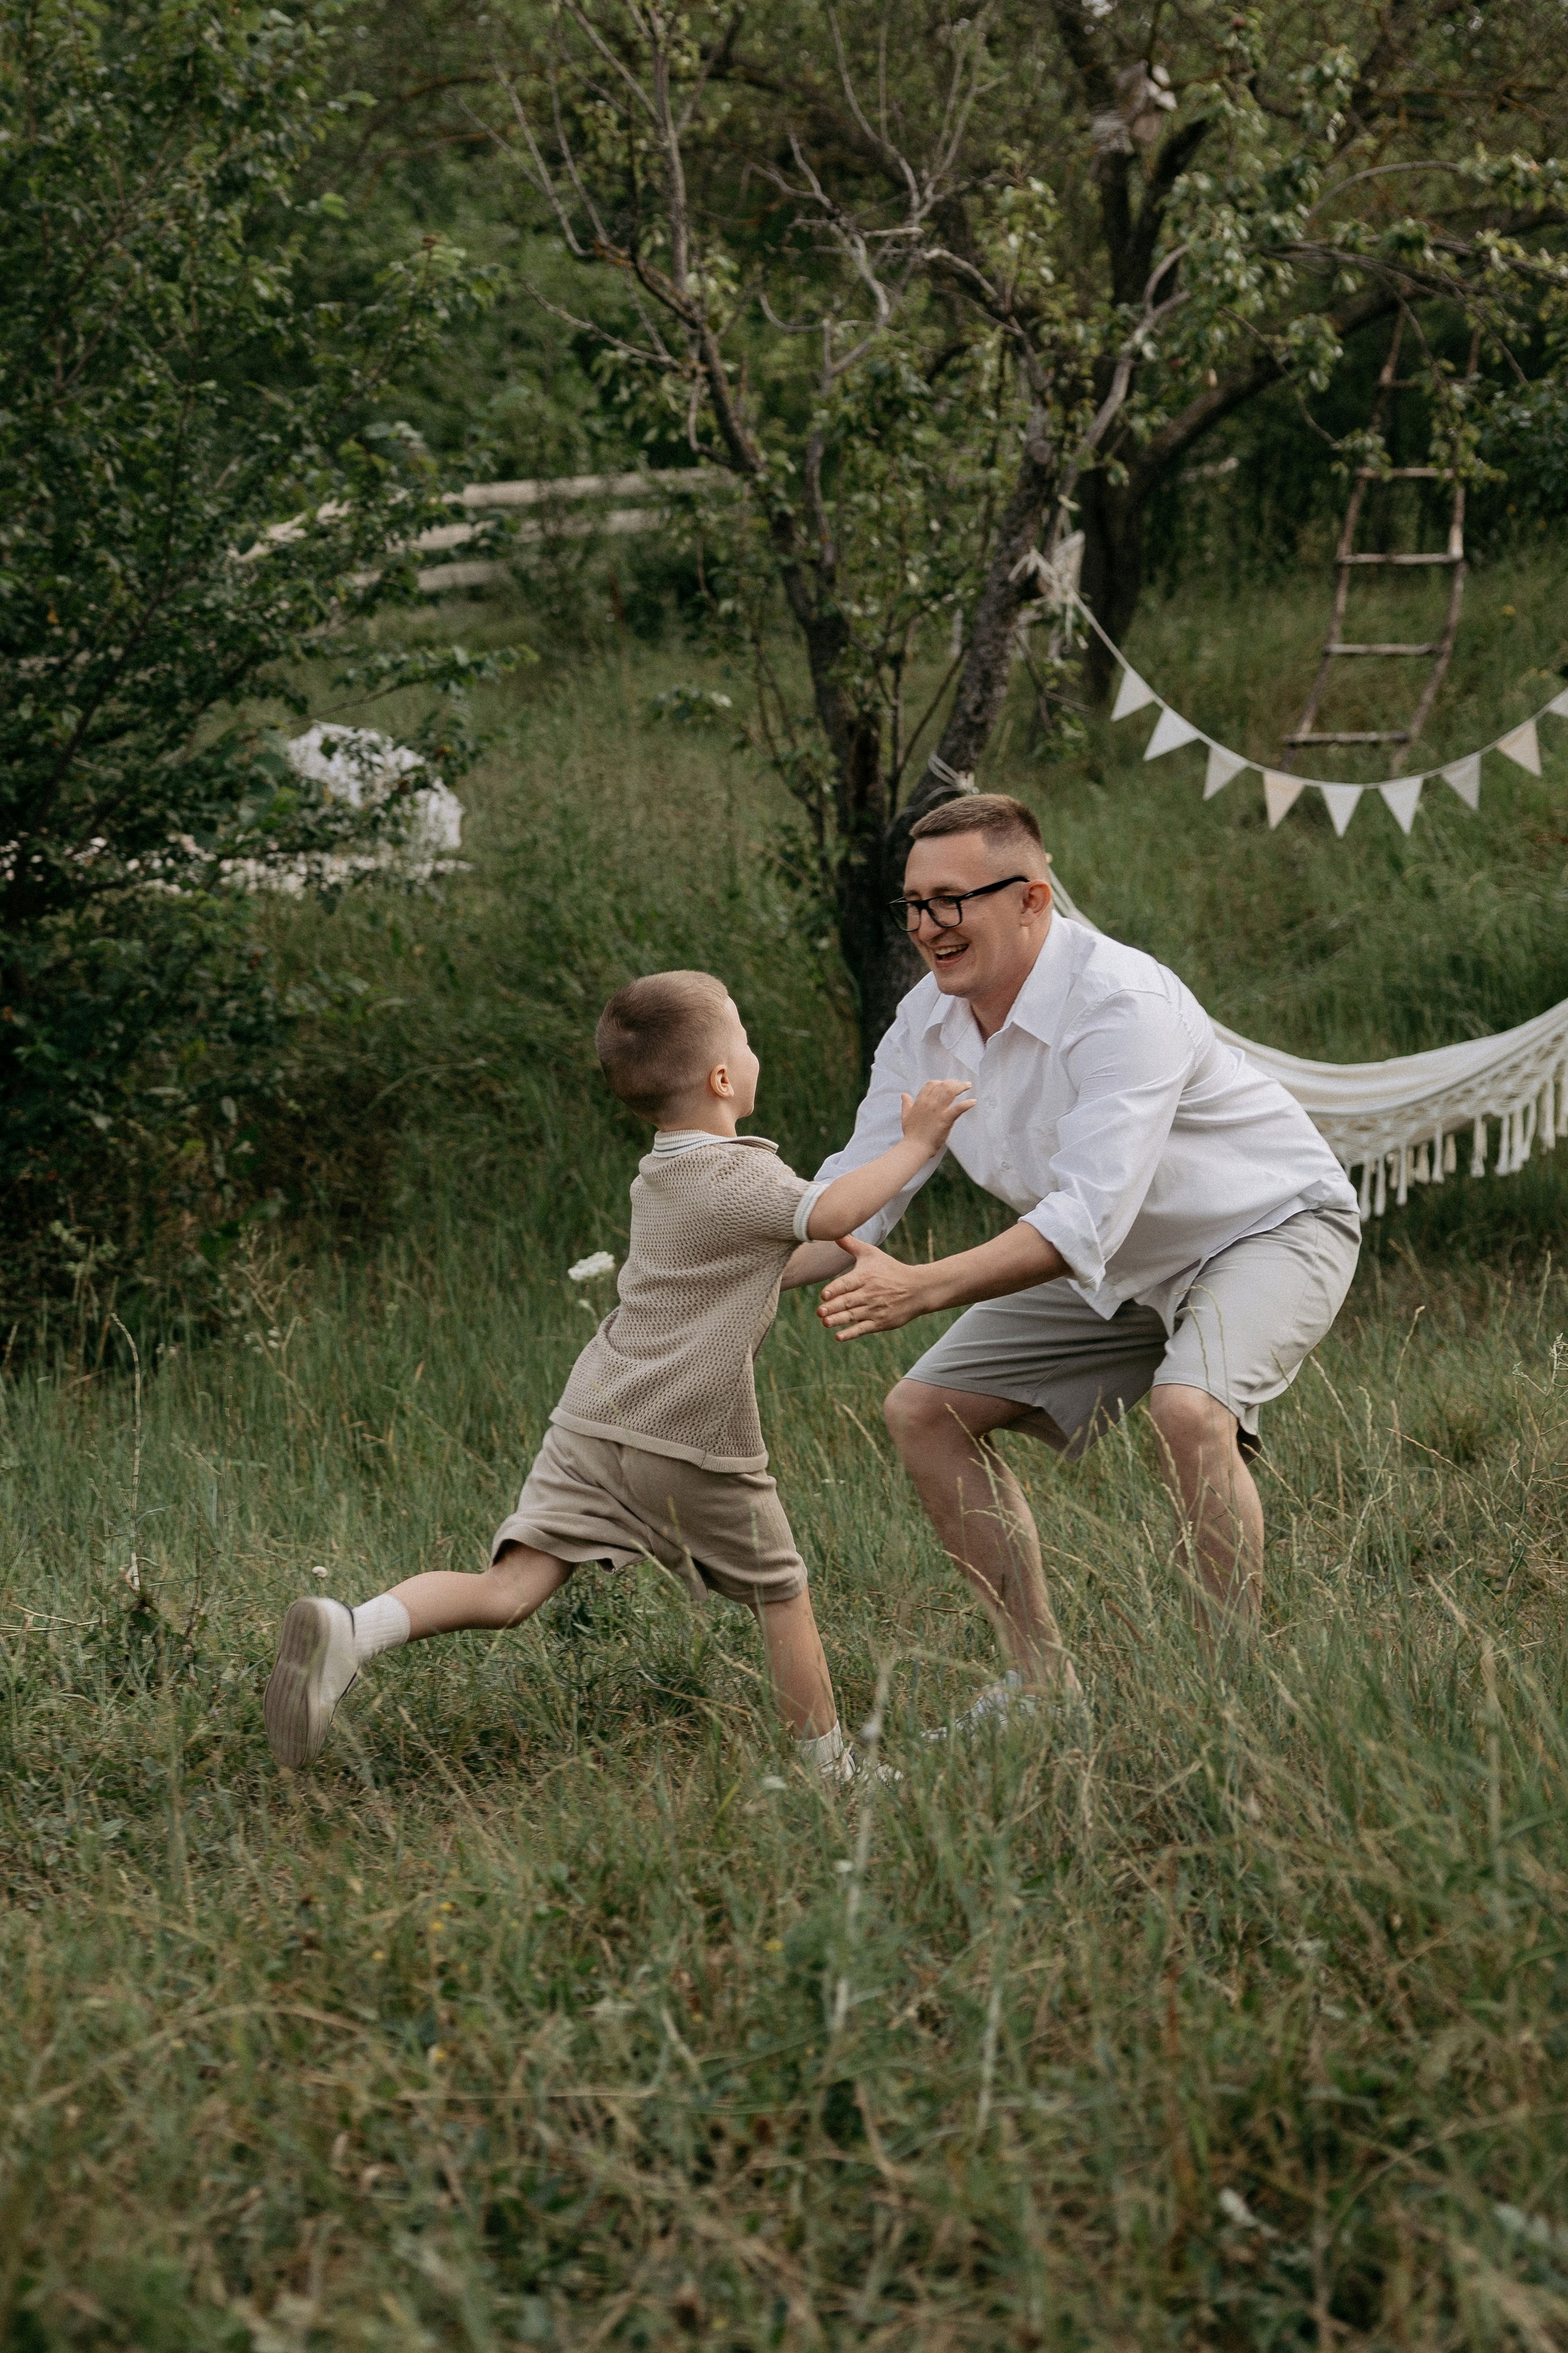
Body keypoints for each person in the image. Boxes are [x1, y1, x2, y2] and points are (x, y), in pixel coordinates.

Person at [263, 970, 973, 1781]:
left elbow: (763, 1258)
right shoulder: (744, 1175)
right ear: (720, 1078)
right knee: (782, 1590)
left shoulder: (665, 1174)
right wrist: (916, 1145)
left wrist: (854, 1245)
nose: (752, 1050)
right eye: (743, 1036)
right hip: (688, 1434)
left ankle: (353, 1631)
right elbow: (834, 1211)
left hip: (595, 1418)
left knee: (510, 1589)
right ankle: (829, 1769)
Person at [785, 793, 1360, 1713]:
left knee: (1189, 1410)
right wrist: (714, 1270)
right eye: (914, 904)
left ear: (1032, 899)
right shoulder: (924, 1025)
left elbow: (1084, 1219)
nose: (929, 927)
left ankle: (1233, 1702)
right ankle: (1040, 1687)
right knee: (925, 1410)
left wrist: (923, 1288)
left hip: (1264, 1226)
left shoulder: (1121, 1000)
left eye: (952, 900)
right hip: (1120, 1265)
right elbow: (863, 1193)